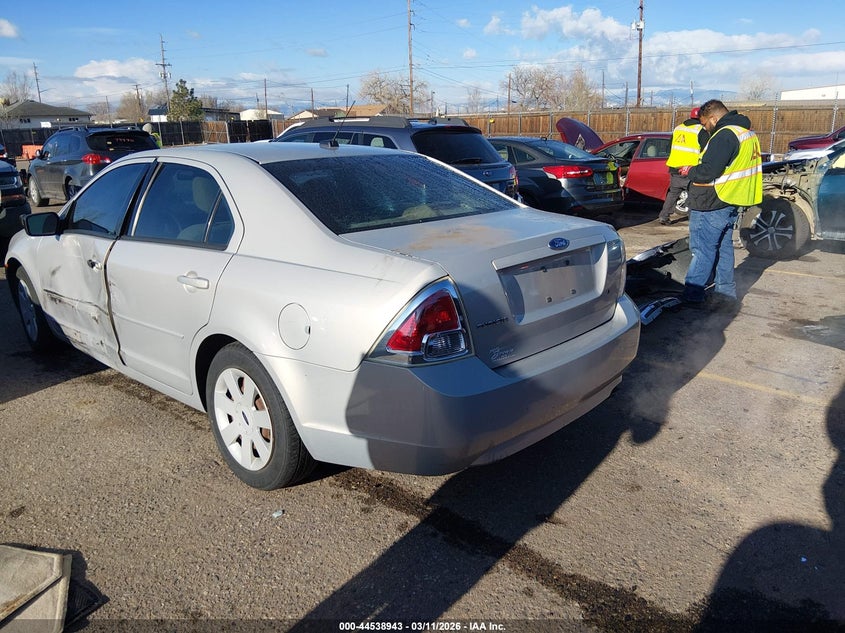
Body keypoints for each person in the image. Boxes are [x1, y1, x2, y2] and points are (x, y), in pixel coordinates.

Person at [678, 99, 762, 306]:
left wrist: (690, 171)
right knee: (723, 249)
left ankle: (693, 295)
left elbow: (708, 171)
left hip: (710, 201)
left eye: (705, 124)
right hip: (729, 200)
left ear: (714, 118)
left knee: (702, 249)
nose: (705, 128)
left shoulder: (724, 135)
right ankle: (725, 294)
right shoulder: (746, 133)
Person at [658, 107, 709, 225]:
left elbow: (670, 146)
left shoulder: (678, 128)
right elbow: (706, 149)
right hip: (691, 169)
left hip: (675, 167)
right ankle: (693, 221)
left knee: (673, 194)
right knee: (693, 195)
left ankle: (664, 216)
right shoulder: (701, 130)